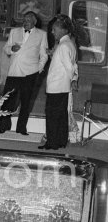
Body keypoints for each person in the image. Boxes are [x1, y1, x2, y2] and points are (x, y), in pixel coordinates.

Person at [0, 11, 48, 135]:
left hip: (30, 73)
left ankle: (21, 128)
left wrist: (38, 69)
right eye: (24, 20)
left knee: (26, 102)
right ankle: (4, 126)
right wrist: (11, 49)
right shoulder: (14, 32)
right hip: (14, 71)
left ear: (34, 22)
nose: (25, 22)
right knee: (6, 100)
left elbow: (44, 55)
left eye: (28, 20)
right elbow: (6, 48)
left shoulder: (42, 34)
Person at [39, 14, 78, 150]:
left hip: (57, 87)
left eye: (54, 30)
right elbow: (72, 65)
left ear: (62, 30)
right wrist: (71, 81)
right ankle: (61, 141)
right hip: (63, 87)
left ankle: (52, 143)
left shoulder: (63, 46)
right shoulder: (69, 44)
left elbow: (69, 67)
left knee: (52, 115)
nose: (52, 32)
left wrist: (71, 80)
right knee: (61, 116)